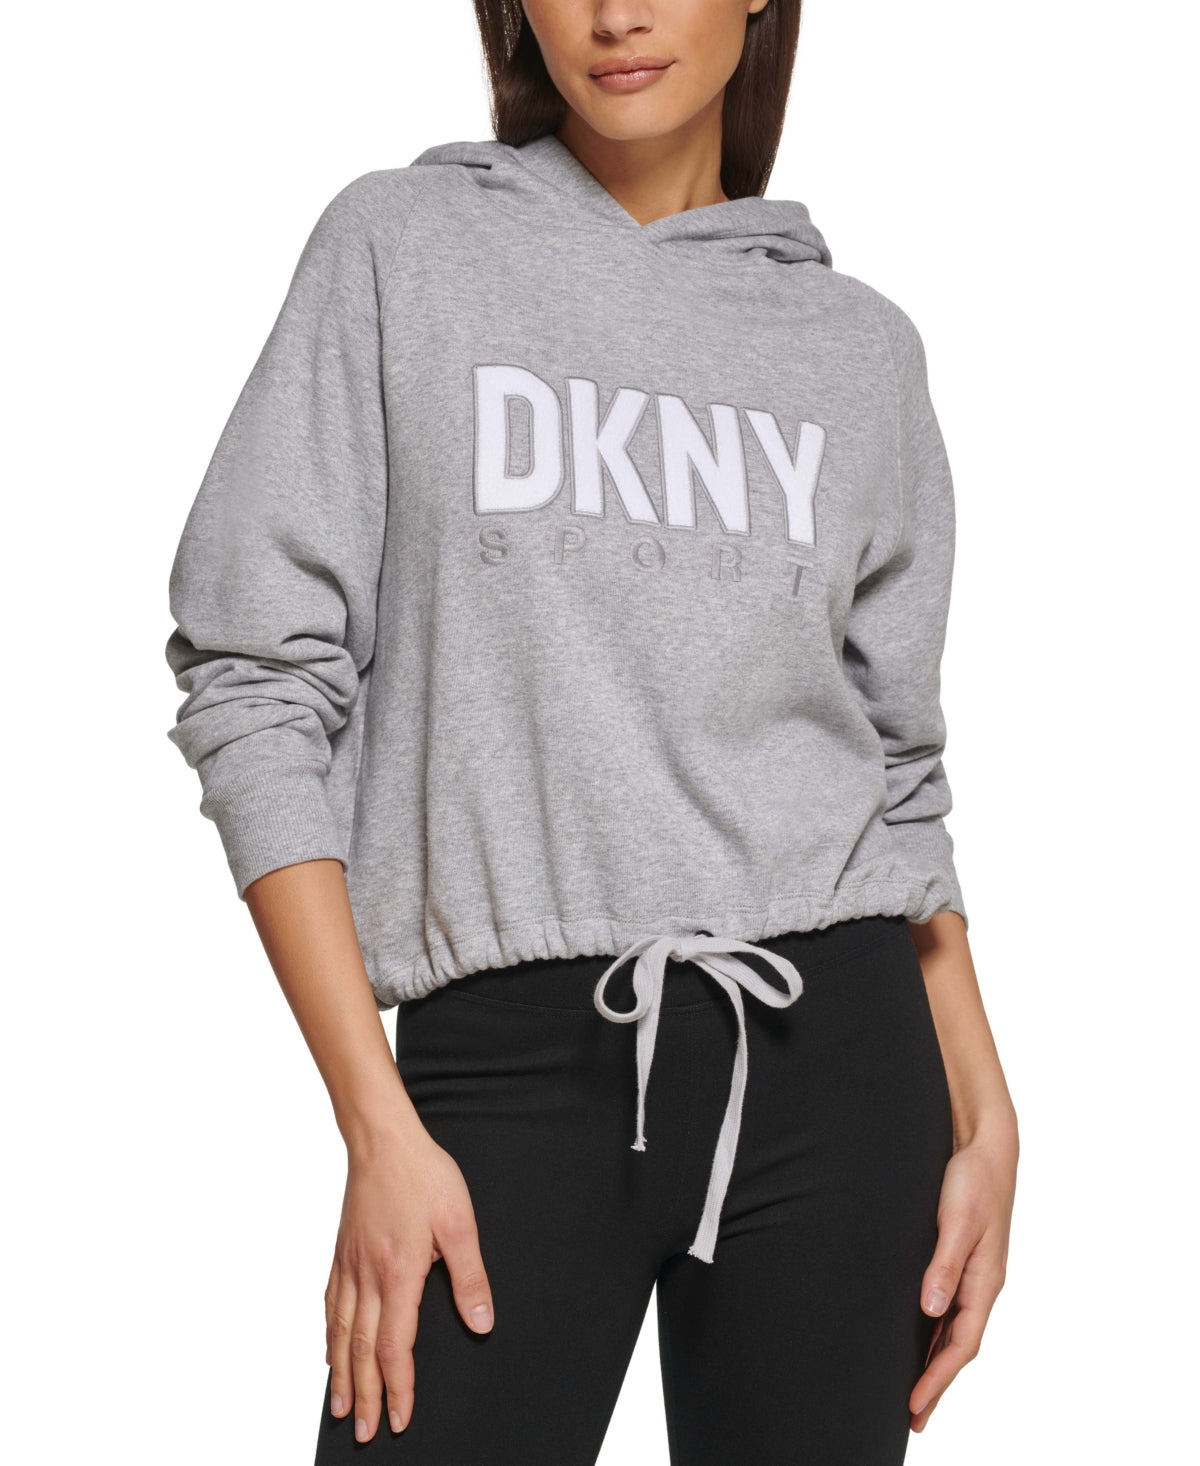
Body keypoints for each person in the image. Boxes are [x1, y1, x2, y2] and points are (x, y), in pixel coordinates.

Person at [164, 1, 1019, 1460]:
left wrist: (985, 1112)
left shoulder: (859, 350)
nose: (616, 12)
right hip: (506, 1067)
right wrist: (374, 1120)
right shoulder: (403, 249)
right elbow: (254, 677)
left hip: (837, 1063)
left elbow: (895, 768)